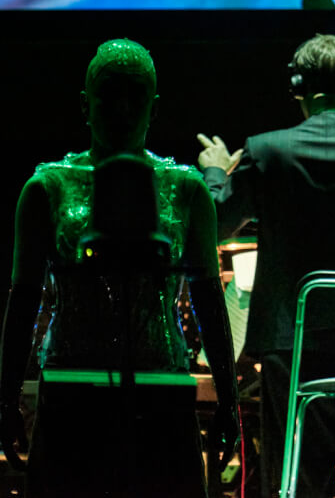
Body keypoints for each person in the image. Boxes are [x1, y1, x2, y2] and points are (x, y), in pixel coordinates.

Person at [0, 39, 238, 497]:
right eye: (112, 94)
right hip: (72, 388)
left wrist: (229, 400)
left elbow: (210, 300)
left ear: (154, 106)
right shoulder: (47, 188)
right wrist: (8, 396)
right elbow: (23, 298)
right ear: (87, 106)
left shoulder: (186, 190)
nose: (124, 110)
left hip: (161, 387)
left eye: (135, 96)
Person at [197, 33, 335, 498]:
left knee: (290, 477)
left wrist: (214, 170)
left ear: (296, 85)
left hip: (289, 344)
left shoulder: (266, 151)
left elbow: (213, 227)